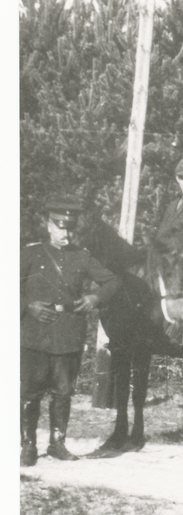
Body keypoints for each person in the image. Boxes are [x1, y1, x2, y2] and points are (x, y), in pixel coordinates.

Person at [21, 196, 121, 466]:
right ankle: (28, 445)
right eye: (60, 226)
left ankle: (57, 444)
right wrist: (27, 306)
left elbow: (112, 281)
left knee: (63, 391)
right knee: (30, 392)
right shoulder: (30, 253)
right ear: (48, 225)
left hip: (68, 334)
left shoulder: (82, 256)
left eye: (70, 228)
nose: (65, 233)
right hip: (34, 332)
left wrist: (94, 299)